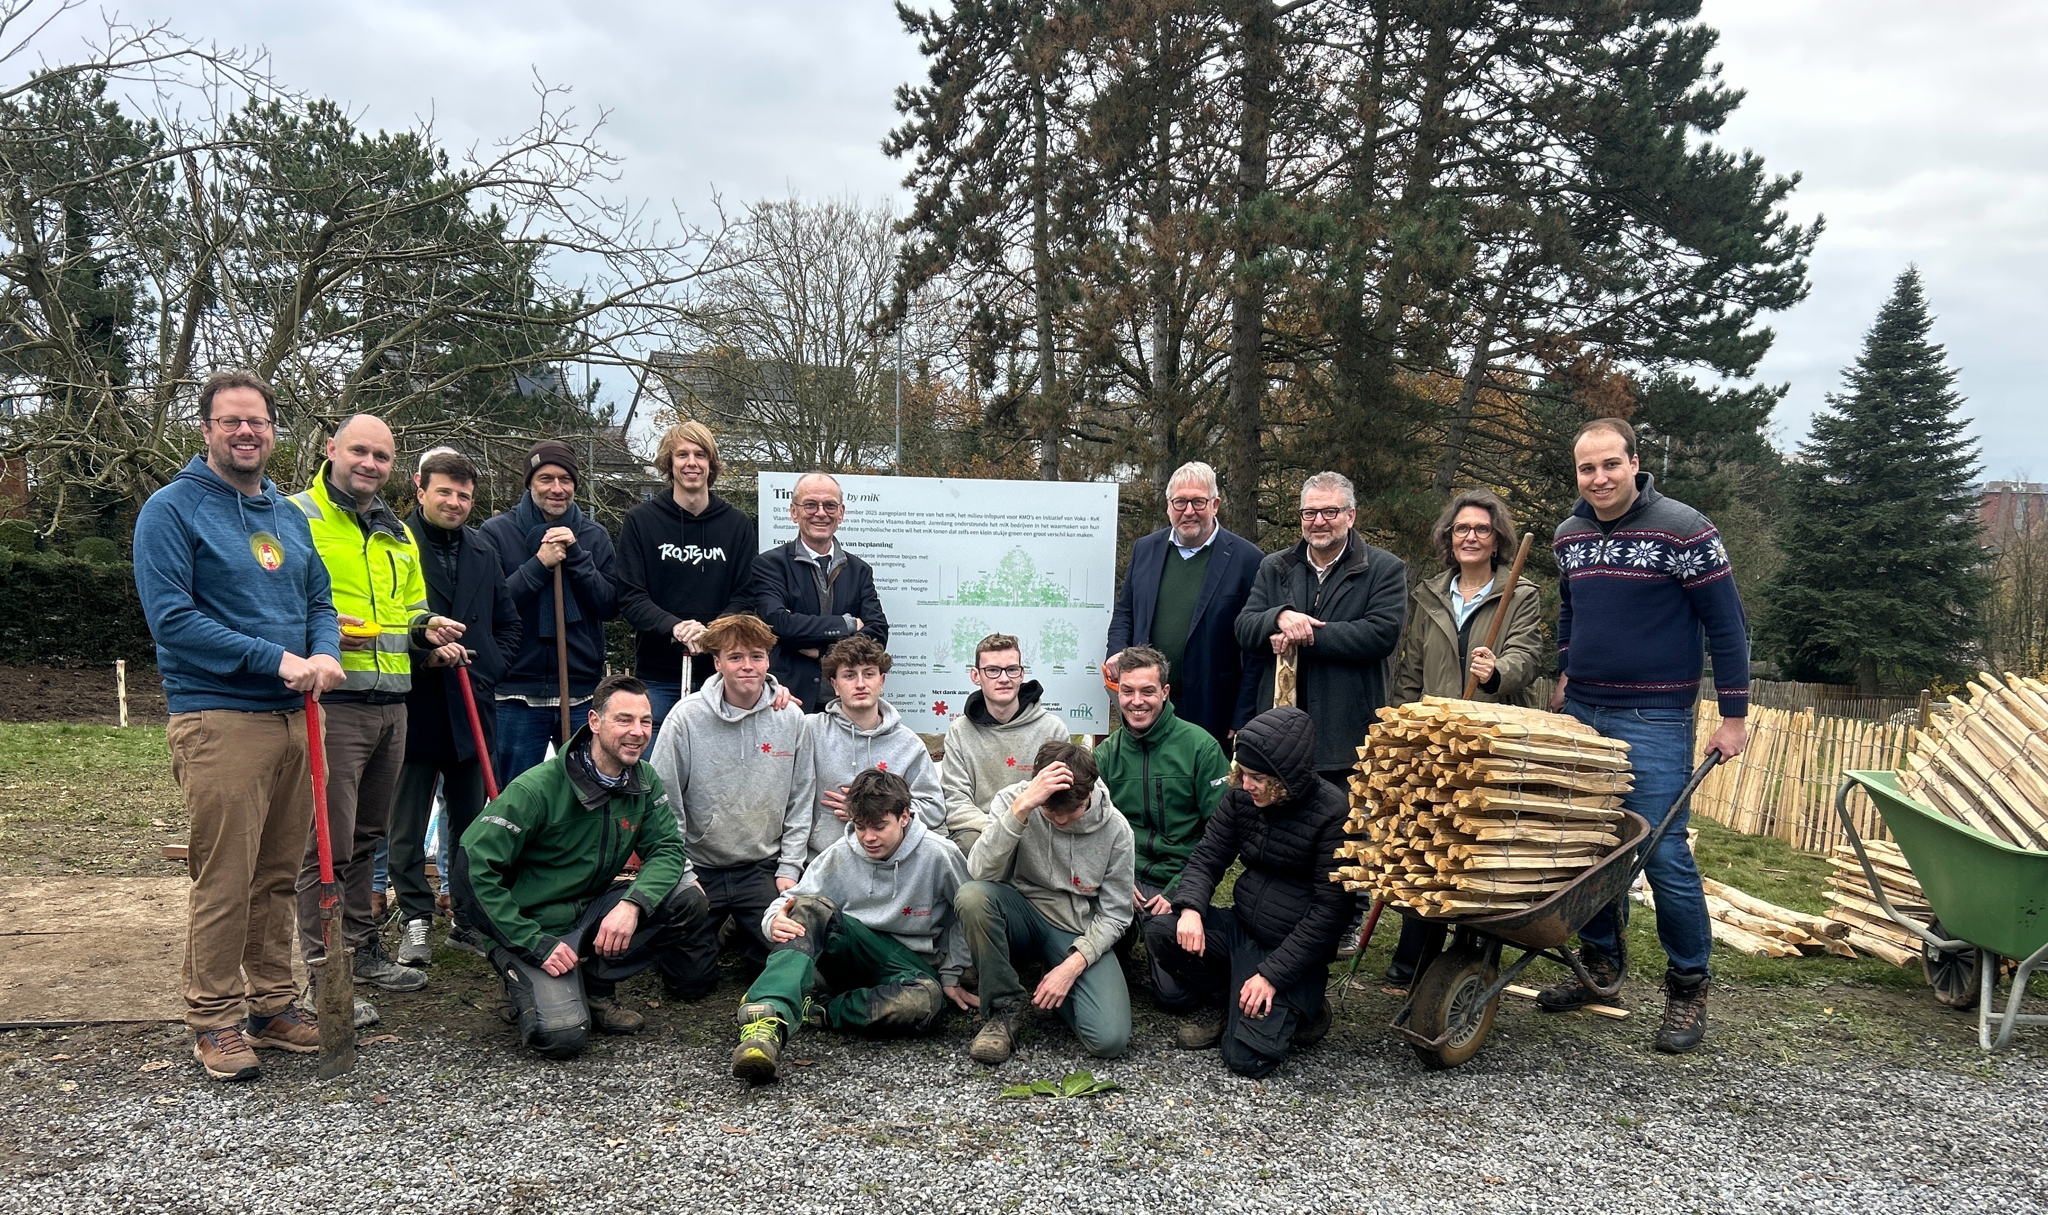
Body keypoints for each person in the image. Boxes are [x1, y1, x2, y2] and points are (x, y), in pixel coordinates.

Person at [133, 369, 345, 1081]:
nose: (246, 432)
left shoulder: (288, 515)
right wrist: (275, 658)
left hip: (296, 718)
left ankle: (274, 1003)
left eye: (257, 421)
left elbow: (318, 600)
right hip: (220, 718)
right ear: (206, 430)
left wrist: (323, 651)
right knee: (225, 877)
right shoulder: (171, 510)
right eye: (231, 421)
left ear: (273, 431)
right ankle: (214, 1017)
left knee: (278, 874)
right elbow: (173, 620)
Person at [1537, 417, 1749, 1054]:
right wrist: (1565, 671)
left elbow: (1728, 626)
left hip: (1655, 716)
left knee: (1662, 852)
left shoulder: (1685, 530)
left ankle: (1688, 986)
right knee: (1591, 846)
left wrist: (1733, 715)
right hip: (1585, 711)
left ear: (1634, 463)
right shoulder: (1569, 536)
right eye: (1587, 468)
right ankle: (1600, 963)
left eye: (1610, 464)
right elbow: (1570, 610)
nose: (1599, 478)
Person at [289, 414, 466, 1016]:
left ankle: (362, 949)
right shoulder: (297, 517)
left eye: (382, 456)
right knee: (327, 845)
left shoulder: (397, 534)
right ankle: (325, 974)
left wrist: (427, 629)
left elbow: (409, 610)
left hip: (393, 703)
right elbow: (278, 602)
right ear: (331, 449)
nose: (369, 464)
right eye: (359, 451)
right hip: (332, 704)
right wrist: (317, 633)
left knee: (369, 837)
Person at [452, 675, 707, 1059]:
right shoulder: (537, 788)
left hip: (591, 908)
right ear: (594, 721)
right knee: (562, 1036)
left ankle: (596, 986)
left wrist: (632, 904)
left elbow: (668, 849)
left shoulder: (643, 779)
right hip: (532, 924)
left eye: (645, 721)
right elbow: (471, 870)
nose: (638, 732)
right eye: (624, 720)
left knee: (687, 899)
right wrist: (532, 942)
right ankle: (518, 981)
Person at [1381, 487, 1545, 984]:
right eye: (1461, 529)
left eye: (1481, 529)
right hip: (1437, 737)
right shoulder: (1430, 594)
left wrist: (1497, 671)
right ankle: (1415, 958)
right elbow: (1411, 667)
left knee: (1480, 844)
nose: (1470, 537)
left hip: (1493, 739)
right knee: (1426, 841)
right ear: (1448, 537)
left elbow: (1527, 656)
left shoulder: (1519, 593)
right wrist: (1400, 726)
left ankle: (1473, 958)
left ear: (1497, 539)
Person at [731, 769, 975, 1084]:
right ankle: (765, 1022)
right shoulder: (840, 853)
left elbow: (964, 915)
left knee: (926, 1002)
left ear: (904, 816)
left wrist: (952, 973)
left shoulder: (939, 853)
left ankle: (819, 1010)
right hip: (853, 949)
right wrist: (773, 919)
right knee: (808, 907)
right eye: (860, 827)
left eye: (879, 827)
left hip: (909, 966)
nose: (868, 837)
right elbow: (791, 900)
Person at [1151, 706, 1350, 1078]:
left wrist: (1272, 975)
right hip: (1242, 928)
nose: (1245, 784)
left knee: (1246, 1061)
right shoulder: (1241, 798)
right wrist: (1190, 908)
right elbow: (1208, 856)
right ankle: (1233, 1003)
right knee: (1163, 931)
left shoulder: (1333, 812)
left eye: (1257, 777)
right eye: (1242, 772)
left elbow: (1330, 911)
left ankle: (1305, 1008)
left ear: (1285, 778)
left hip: (1288, 947)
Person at [389, 447, 523, 965]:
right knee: (406, 824)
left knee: (471, 821)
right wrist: (423, 656)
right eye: (444, 491)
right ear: (420, 488)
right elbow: (388, 619)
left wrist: (488, 667)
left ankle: (467, 916)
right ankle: (416, 918)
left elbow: (507, 622)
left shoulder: (484, 550)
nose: (454, 502)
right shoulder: (396, 543)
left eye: (464, 495)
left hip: (472, 705)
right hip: (415, 704)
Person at [644, 613, 811, 999]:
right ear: (717, 662)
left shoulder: (791, 718)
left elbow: (801, 799)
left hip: (761, 867)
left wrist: (789, 868)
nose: (747, 666)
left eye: (756, 656)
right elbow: (664, 802)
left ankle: (742, 928)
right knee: (689, 985)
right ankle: (711, 929)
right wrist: (681, 872)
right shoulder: (685, 718)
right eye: (735, 657)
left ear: (768, 660)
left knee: (786, 961)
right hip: (700, 868)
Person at [957, 740, 1135, 1065]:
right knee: (973, 897)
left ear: (1089, 793)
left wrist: (1071, 968)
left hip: (1075, 930)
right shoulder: (1014, 801)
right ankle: (1004, 1011)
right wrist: (1022, 810)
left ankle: (1052, 978)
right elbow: (980, 871)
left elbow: (1116, 914)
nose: (1061, 821)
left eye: (1072, 812)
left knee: (1109, 1039)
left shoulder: (1116, 829)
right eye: (1051, 812)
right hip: (1020, 912)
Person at [1235, 471, 1407, 786]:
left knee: (1341, 818)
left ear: (1350, 516)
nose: (1318, 521)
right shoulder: (1275, 566)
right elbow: (1245, 627)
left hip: (1347, 738)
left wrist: (1306, 634)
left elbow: (1380, 634)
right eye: (1309, 513)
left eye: (1330, 512)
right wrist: (1279, 617)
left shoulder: (1383, 569)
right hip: (1280, 736)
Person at [1091, 647, 1229, 1008]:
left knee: (1174, 997)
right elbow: (1092, 829)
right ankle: (1124, 941)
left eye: (1147, 691)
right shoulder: (1106, 755)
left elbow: (1224, 834)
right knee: (1095, 964)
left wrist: (1182, 890)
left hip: (1178, 879)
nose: (1136, 701)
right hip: (1124, 879)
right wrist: (1116, 879)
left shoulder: (1200, 747)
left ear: (1165, 692)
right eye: (1127, 691)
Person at [478, 439, 619, 783]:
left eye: (565, 480)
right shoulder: (496, 533)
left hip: (580, 692)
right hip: (516, 693)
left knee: (586, 792)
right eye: (546, 479)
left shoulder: (594, 536)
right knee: (516, 796)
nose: (557, 488)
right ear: (530, 483)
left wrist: (578, 559)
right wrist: (538, 564)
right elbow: (489, 606)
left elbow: (610, 605)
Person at [1103, 461, 1262, 742]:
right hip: (1148, 704)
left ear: (1215, 505)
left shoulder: (1248, 559)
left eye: (1198, 502)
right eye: (1180, 502)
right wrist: (1117, 651)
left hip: (1214, 708)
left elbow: (1254, 650)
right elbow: (1125, 612)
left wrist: (1244, 714)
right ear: (1169, 506)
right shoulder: (1145, 549)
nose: (1189, 511)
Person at [615, 421, 758, 729]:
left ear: (711, 464)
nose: (691, 463)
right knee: (653, 759)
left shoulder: (737, 525)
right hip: (658, 676)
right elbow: (631, 596)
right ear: (669, 463)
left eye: (700, 455)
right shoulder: (640, 521)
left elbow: (746, 595)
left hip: (721, 676)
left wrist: (712, 632)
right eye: (682, 455)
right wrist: (676, 627)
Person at [749, 471, 887, 711]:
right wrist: (846, 625)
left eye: (830, 505)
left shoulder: (859, 570)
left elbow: (878, 632)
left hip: (845, 704)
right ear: (794, 512)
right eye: (810, 505)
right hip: (789, 700)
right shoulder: (770, 565)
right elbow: (778, 623)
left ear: (841, 513)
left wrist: (823, 652)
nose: (821, 513)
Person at [796, 635, 943, 859]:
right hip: (822, 860)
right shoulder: (810, 730)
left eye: (869, 674)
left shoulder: (908, 744)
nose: (860, 684)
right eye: (849, 675)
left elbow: (934, 809)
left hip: (888, 864)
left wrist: (873, 811)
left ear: (881, 681)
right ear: (835, 685)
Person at [939, 633, 1071, 855]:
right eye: (992, 670)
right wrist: (1002, 829)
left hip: (1036, 832)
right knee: (967, 843)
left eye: (1011, 669)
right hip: (982, 833)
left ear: (1022, 674)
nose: (1003, 678)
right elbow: (956, 803)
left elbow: (1063, 797)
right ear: (975, 676)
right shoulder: (959, 732)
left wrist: (1019, 825)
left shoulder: (1052, 730)